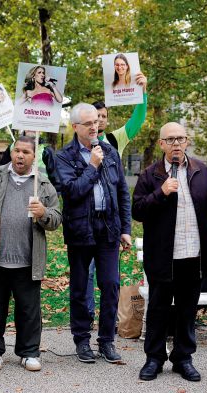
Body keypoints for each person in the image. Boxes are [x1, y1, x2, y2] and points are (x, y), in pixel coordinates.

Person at [132, 122, 207, 382]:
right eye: (170, 139)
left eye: (180, 139)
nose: (176, 144)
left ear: (187, 142)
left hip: (193, 255)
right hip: (163, 257)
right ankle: (154, 358)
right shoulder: (150, 175)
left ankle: (183, 358)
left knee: (187, 310)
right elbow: (137, 211)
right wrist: (160, 193)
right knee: (159, 309)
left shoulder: (200, 171)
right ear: (161, 144)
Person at [0, 135, 61, 372]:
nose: (20, 155)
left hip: (28, 260)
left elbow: (56, 219)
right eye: (16, 151)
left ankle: (29, 352)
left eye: (26, 152)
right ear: (11, 152)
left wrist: (43, 213)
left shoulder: (42, 184)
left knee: (29, 310)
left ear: (33, 156)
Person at [55, 103, 132, 364]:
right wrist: (92, 166)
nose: (94, 126)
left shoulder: (109, 151)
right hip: (80, 230)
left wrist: (126, 229)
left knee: (111, 285)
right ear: (75, 127)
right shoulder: (64, 156)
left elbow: (122, 191)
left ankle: (107, 341)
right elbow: (72, 192)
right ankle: (82, 340)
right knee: (79, 288)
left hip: (108, 228)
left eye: (96, 122)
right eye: (88, 123)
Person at [86, 73, 148, 319]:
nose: (99, 120)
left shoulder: (115, 139)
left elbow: (138, 119)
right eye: (95, 116)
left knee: (109, 277)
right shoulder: (79, 143)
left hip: (109, 218)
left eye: (103, 117)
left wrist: (142, 93)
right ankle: (88, 313)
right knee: (87, 272)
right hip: (86, 217)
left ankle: (108, 319)